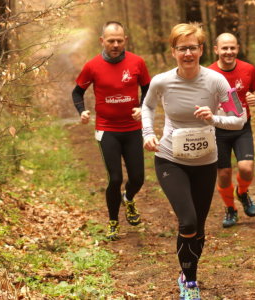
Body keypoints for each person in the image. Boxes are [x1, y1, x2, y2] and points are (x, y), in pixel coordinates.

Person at [142, 23, 244, 300]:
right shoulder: (161, 81)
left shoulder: (217, 81)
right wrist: (149, 133)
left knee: (197, 227)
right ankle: (189, 282)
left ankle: (188, 273)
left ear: (201, 50)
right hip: (170, 159)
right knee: (187, 222)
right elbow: (148, 106)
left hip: (205, 161)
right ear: (173, 52)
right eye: (182, 48)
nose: (188, 53)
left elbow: (239, 118)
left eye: (193, 48)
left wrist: (214, 119)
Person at [72, 21, 151, 241]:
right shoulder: (92, 66)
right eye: (110, 41)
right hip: (107, 130)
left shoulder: (137, 62)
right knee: (114, 178)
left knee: (137, 178)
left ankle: (129, 198)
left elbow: (148, 89)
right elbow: (77, 93)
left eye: (119, 40)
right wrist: (82, 111)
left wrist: (142, 107)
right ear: (102, 41)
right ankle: (113, 221)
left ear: (125, 39)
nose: (115, 44)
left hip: (133, 128)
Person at [208, 33, 255, 228]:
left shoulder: (248, 69)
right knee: (223, 174)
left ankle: (242, 193)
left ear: (237, 48)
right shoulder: (208, 73)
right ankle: (230, 208)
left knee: (246, 169)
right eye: (224, 48)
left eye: (232, 48)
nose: (228, 52)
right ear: (216, 50)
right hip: (218, 128)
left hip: (242, 126)